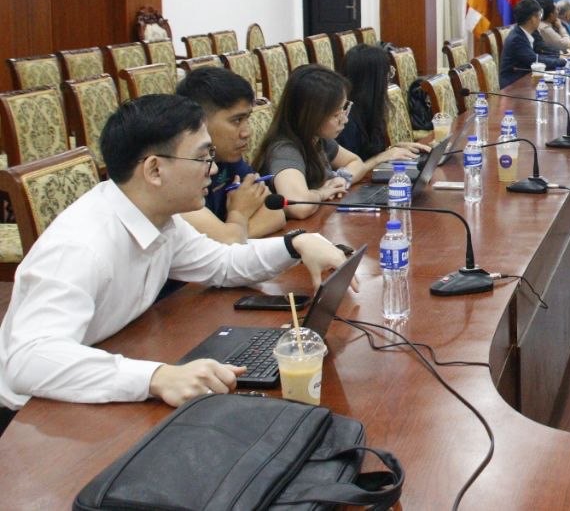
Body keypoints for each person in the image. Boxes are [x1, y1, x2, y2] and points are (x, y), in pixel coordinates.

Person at [0, 94, 352, 421]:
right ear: (154, 169)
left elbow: (222, 264)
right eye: (202, 158)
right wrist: (156, 377)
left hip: (108, 369)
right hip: (35, 412)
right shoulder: (81, 245)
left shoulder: (159, 218)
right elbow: (28, 360)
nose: (212, 170)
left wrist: (294, 244)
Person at [257, 65, 419, 219]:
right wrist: (322, 193)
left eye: (344, 109)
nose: (345, 119)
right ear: (311, 116)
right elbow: (298, 206)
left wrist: (340, 180)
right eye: (336, 115)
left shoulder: (316, 139)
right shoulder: (285, 150)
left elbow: (355, 162)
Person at [175, 67, 284, 241]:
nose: (247, 132)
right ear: (200, 122)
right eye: (237, 120)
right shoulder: (179, 173)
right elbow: (227, 241)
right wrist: (239, 213)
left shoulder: (229, 159)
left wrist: (230, 233)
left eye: (247, 118)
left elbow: (276, 215)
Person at [338, 44, 431, 161]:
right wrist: (383, 156)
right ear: (374, 82)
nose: (388, 81)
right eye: (387, 75)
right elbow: (351, 168)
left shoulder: (368, 108)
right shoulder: (346, 120)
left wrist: (394, 149)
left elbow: (368, 153)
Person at [499, 0, 566, 88]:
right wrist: (562, 62)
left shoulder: (522, 33)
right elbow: (535, 60)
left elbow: (537, 56)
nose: (540, 19)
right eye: (540, 15)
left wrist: (558, 58)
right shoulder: (517, 39)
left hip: (524, 81)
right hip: (512, 86)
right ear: (533, 18)